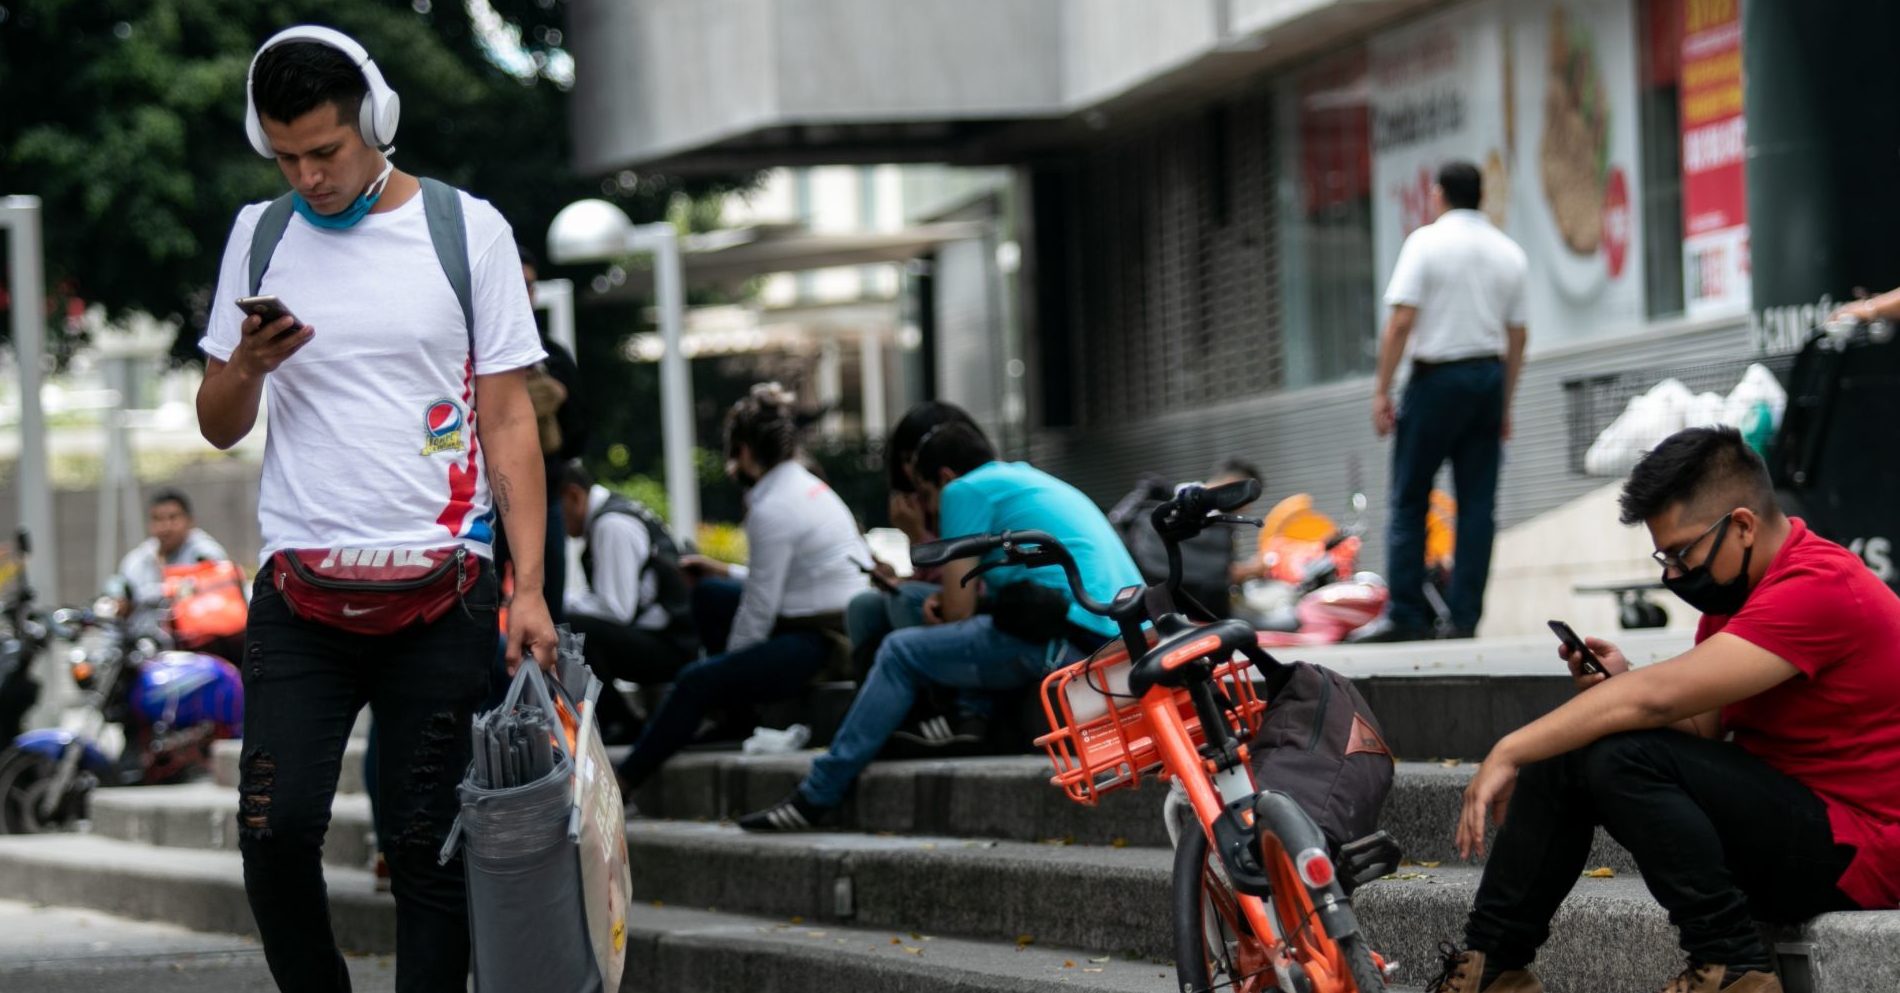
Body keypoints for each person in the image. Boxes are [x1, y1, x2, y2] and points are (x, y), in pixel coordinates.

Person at [195, 26, 554, 993]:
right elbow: (220, 423)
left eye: (325, 152)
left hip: (447, 583)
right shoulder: (258, 236)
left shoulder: (463, 227)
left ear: (377, 122)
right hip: (300, 586)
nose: (307, 176)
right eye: (286, 156)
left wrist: (531, 588)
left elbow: (508, 413)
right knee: (273, 833)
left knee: (427, 847)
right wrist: (245, 364)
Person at [1429, 427, 1900, 993]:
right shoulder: (1743, 593)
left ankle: (1731, 965)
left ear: (1744, 525)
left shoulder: (1819, 585)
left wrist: (1509, 749)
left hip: (1862, 854)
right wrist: (1617, 684)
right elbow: (1701, 726)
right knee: (1585, 742)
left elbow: (1658, 701)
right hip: (1793, 827)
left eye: (1682, 553)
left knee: (1619, 750)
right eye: (1664, 557)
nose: (1672, 575)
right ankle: (1492, 966)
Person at [737, 423, 1144, 831]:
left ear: (945, 477)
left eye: (926, 495)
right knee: (899, 600)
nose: (929, 507)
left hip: (1076, 643)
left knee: (899, 650)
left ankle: (817, 793)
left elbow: (957, 608)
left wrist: (918, 540)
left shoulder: (961, 491)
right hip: (1110, 629)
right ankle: (943, 719)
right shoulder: (1016, 478)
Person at [614, 384, 867, 793]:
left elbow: (759, 610)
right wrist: (723, 571)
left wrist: (723, 677)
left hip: (823, 640)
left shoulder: (773, 508)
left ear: (745, 452)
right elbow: (781, 583)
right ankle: (736, 718)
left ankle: (625, 781)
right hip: (820, 619)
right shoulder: (800, 484)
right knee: (711, 594)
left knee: (695, 681)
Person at [1359, 160, 1527, 642]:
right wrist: (1507, 403)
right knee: (1477, 506)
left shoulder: (1425, 242)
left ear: (1438, 195)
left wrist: (1381, 390)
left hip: (1436, 380)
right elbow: (1518, 336)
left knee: (1410, 498)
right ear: (1481, 196)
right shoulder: (1508, 251)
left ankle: (1407, 614)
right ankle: (1465, 618)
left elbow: (1401, 322)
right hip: (1489, 379)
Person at [559, 460, 696, 740]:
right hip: (673, 637)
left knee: (568, 627)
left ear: (574, 495)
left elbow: (615, 610)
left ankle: (620, 722)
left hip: (673, 646)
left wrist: (557, 606)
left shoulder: (612, 525)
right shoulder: (614, 514)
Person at [518, 242, 588, 622]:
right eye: (517, 284)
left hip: (545, 495)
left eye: (530, 286)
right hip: (485, 502)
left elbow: (578, 431)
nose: (525, 294)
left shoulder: (552, 355)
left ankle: (547, 683)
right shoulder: (470, 349)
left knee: (550, 612)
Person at [112, 489, 232, 613]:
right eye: (158, 519)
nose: (166, 526)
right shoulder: (137, 560)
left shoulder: (205, 554)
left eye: (173, 518)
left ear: (189, 521)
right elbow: (117, 596)